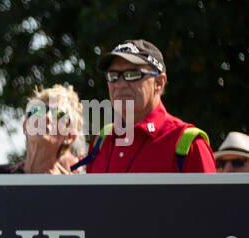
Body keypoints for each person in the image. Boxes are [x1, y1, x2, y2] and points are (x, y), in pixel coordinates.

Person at [79, 39, 214, 174]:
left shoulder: (191, 144)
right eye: (113, 76)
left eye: (132, 75)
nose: (120, 84)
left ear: (159, 83)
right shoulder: (100, 141)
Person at [0, 85, 84, 174]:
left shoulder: (71, 189)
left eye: (58, 114)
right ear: (25, 126)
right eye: (38, 110)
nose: (47, 116)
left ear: (69, 136)